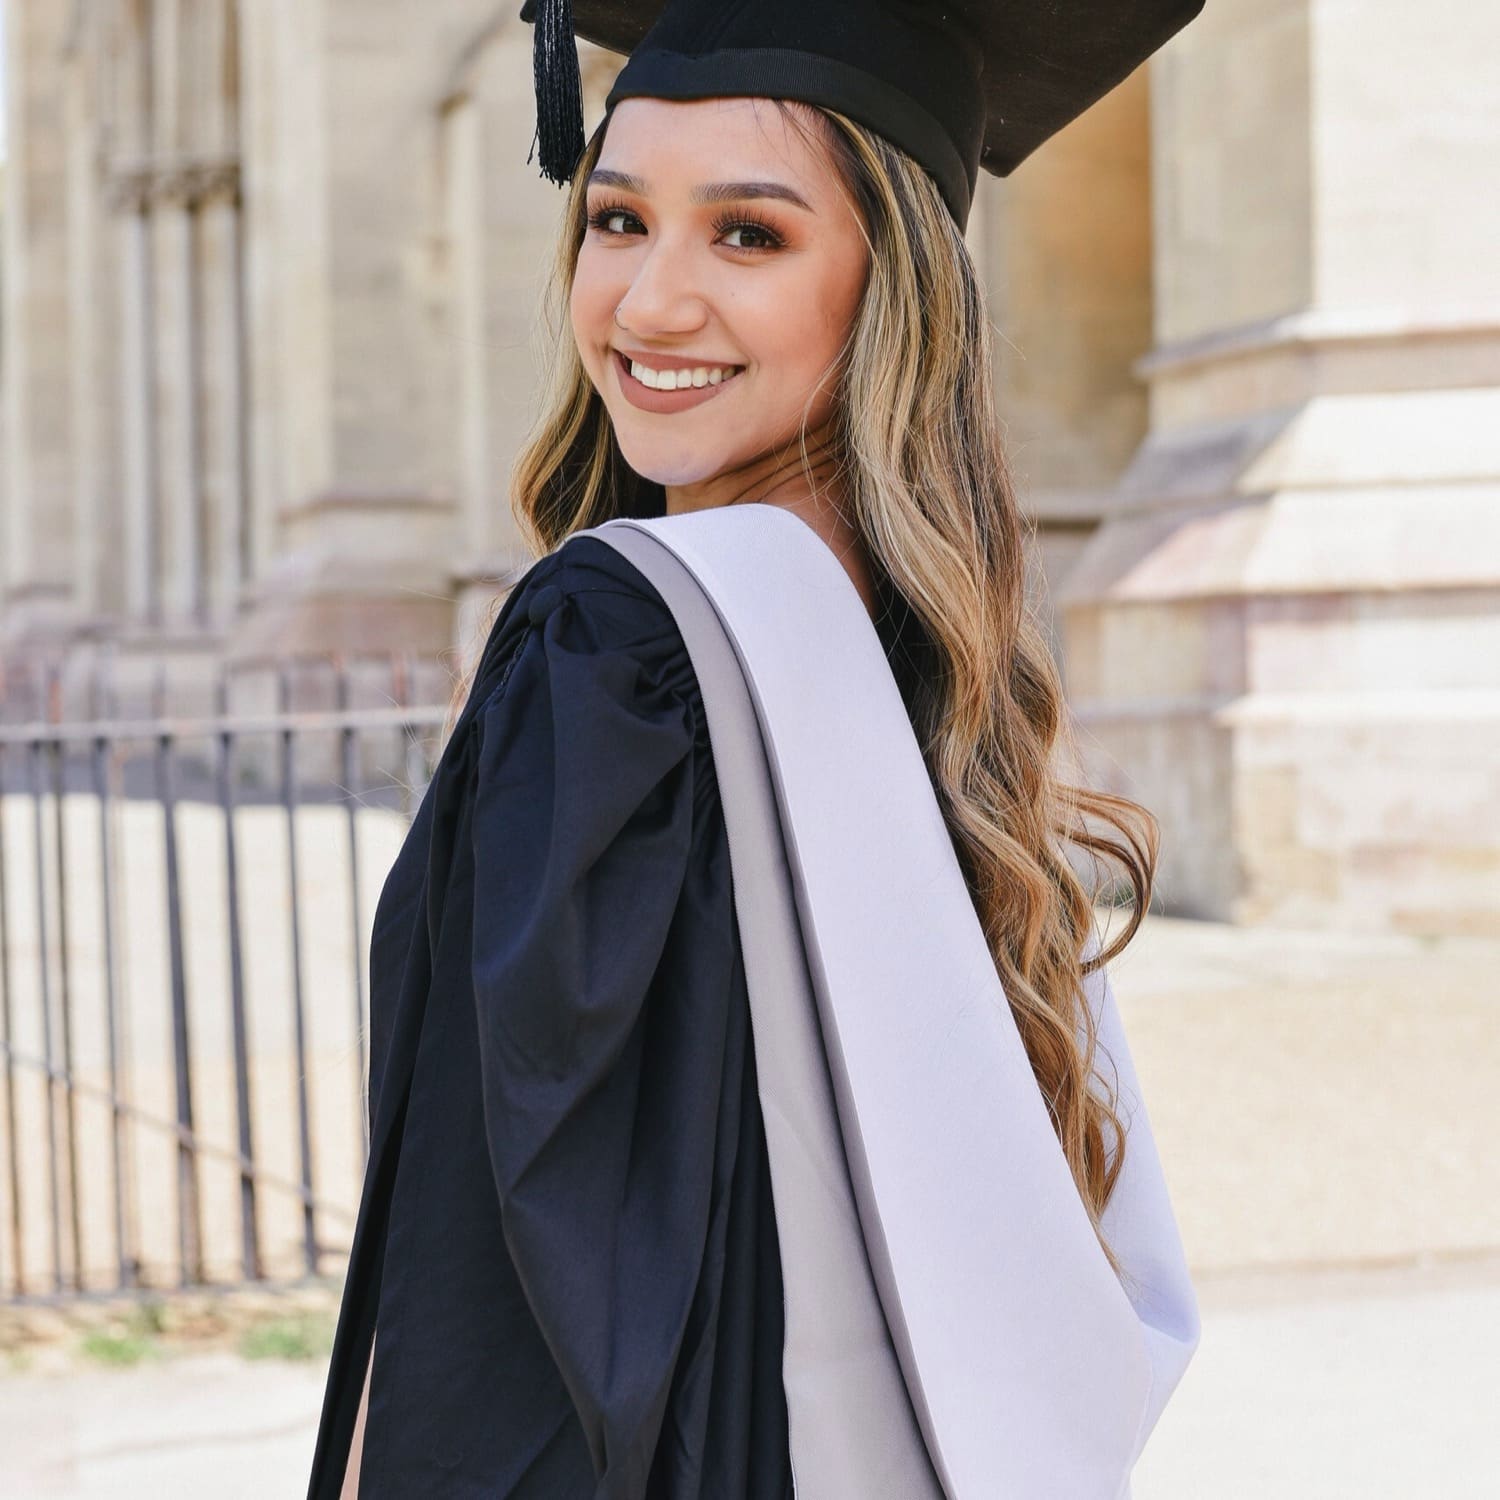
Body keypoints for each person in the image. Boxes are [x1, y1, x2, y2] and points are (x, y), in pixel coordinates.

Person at [307, 1, 1208, 1495]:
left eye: (748, 236)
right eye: (616, 219)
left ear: (893, 288)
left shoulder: (614, 647)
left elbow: (487, 1266)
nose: (649, 304)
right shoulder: (927, 659)